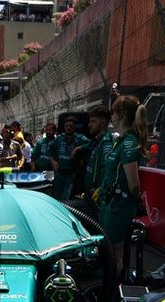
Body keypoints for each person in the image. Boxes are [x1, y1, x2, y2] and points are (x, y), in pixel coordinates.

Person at [96, 95, 147, 266]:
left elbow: (134, 184)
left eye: (113, 112)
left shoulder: (128, 144)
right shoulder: (122, 141)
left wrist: (135, 199)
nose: (111, 116)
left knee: (115, 252)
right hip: (110, 205)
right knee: (107, 250)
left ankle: (114, 289)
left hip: (119, 207)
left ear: (122, 114)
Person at [51, 115, 89, 200]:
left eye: (71, 126)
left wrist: (77, 148)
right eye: (66, 126)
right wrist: (53, 162)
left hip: (71, 176)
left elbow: (92, 144)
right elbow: (50, 150)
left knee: (66, 201)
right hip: (59, 175)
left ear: (75, 127)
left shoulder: (80, 138)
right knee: (55, 199)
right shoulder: (59, 138)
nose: (68, 128)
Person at [84, 106, 112, 205]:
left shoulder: (106, 143)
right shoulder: (96, 141)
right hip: (90, 193)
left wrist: (99, 191)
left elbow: (107, 171)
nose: (89, 125)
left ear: (103, 123)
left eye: (93, 121)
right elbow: (86, 146)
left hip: (96, 197)